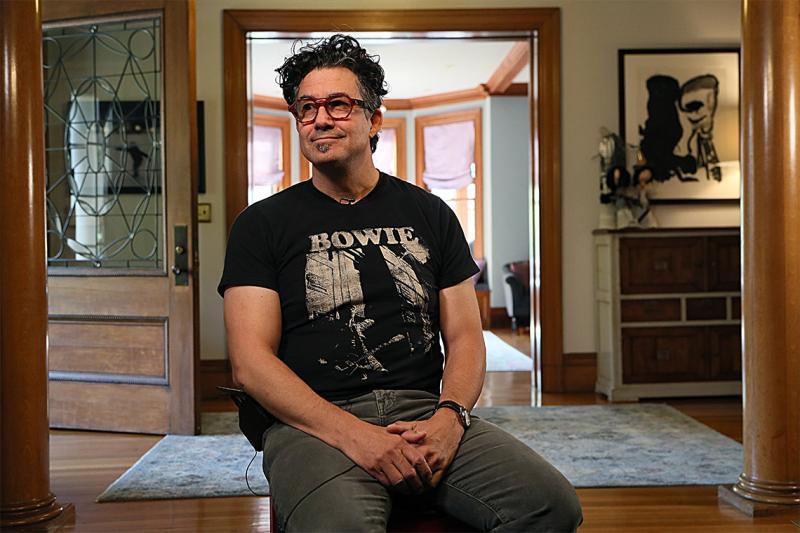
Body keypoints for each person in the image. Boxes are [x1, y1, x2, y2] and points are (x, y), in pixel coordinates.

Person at [218, 34, 582, 532]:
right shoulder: (260, 225)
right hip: (313, 422)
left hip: (423, 410)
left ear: (375, 120)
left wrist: (450, 419)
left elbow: (465, 336)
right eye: (306, 108)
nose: (320, 118)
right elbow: (251, 365)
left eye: (339, 104)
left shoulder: (430, 212)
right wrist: (356, 436)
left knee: (551, 505)